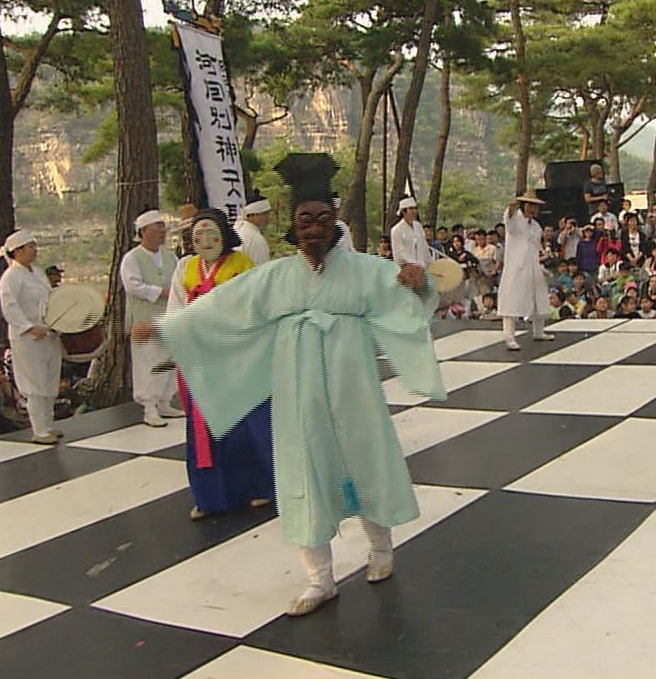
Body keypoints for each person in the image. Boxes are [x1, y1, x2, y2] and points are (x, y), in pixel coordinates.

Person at [136, 153, 446, 617]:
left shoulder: (365, 269)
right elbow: (222, 309)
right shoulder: (275, 276)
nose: (314, 228)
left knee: (366, 461)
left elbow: (410, 297)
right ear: (293, 225)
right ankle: (320, 578)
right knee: (304, 473)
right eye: (305, 219)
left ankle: (381, 550)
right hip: (298, 395)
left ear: (335, 221)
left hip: (354, 390)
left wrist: (419, 284)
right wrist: (167, 328)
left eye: (322, 219)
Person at [168, 208, 274, 521]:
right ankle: (211, 496)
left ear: (224, 236)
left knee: (247, 428)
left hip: (236, 357)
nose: (205, 241)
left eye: (211, 234)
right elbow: (176, 308)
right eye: (198, 235)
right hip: (201, 358)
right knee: (205, 430)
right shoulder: (186, 267)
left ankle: (260, 486)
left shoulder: (241, 264)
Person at [0, 229, 65, 445]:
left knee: (49, 379)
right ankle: (39, 429)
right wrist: (28, 327)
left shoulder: (36, 272)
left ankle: (48, 424)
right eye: (30, 246)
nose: (35, 250)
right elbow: (10, 307)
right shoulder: (10, 277)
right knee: (34, 383)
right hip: (28, 338)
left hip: (48, 333)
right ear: (18, 251)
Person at [119, 209, 180, 427]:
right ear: (143, 232)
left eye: (163, 230)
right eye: (157, 230)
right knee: (149, 362)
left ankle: (165, 401)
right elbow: (133, 286)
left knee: (169, 360)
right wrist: (160, 292)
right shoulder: (132, 258)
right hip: (145, 320)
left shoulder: (170, 257)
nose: (162, 234)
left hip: (168, 318)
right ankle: (149, 407)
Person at [498, 193, 554, 350]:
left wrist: (543, 254)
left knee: (539, 299)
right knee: (511, 301)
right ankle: (509, 337)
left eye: (535, 206)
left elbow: (536, 246)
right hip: (516, 268)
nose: (532, 209)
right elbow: (508, 220)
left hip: (533, 265)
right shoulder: (515, 220)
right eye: (529, 205)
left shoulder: (536, 226)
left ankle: (538, 331)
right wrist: (511, 208)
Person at [390, 197, 435, 271]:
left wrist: (431, 264)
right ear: (403, 211)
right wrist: (414, 264)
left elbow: (424, 248)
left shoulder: (418, 226)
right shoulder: (396, 230)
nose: (414, 211)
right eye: (411, 209)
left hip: (422, 269)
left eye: (415, 208)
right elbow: (400, 253)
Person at [235, 198, 274, 265]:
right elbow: (262, 268)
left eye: (268, 213)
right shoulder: (255, 238)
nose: (268, 217)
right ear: (252, 215)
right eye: (264, 213)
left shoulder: (237, 228)